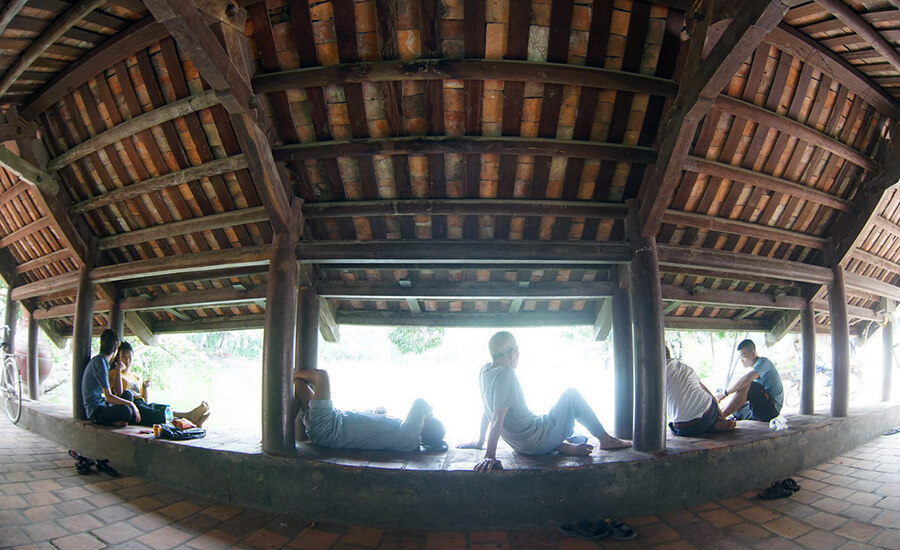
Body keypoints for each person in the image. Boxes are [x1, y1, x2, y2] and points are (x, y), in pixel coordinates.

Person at [462, 331, 629, 473]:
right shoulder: (506, 373)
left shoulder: (484, 371)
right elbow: (497, 418)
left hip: (521, 444)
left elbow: (487, 409)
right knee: (571, 395)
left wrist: (479, 441)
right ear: (513, 352)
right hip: (535, 440)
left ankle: (561, 445)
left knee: (553, 420)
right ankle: (605, 439)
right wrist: (489, 455)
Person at [293, 368, 446, 452]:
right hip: (329, 423)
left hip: (328, 428)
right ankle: (284, 375)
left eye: (429, 420)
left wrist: (430, 412)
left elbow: (420, 403)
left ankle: (278, 372)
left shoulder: (410, 439)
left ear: (429, 425)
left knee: (322, 376)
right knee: (299, 383)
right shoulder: (406, 436)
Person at [109, 341, 210, 427]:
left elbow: (146, 400)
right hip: (131, 407)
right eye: (124, 357)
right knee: (159, 415)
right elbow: (119, 393)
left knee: (164, 408)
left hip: (141, 404)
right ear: (118, 358)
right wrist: (118, 370)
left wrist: (145, 388)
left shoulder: (135, 376)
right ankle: (191, 417)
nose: (127, 361)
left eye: (129, 357)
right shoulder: (114, 373)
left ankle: (191, 418)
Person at [665, 347, 735, 436]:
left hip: (683, 428)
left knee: (674, 423)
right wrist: (722, 418)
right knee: (706, 402)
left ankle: (712, 426)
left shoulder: (649, 373)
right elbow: (709, 394)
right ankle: (714, 424)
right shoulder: (684, 367)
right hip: (706, 417)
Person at [81, 329, 140, 427]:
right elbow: (108, 397)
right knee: (126, 411)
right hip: (95, 412)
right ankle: (117, 421)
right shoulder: (100, 363)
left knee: (127, 394)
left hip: (103, 405)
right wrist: (131, 404)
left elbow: (118, 393)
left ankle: (121, 421)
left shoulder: (101, 361)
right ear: (115, 350)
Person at [716, 339, 783, 422]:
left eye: (743, 356)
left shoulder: (764, 362)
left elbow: (746, 379)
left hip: (772, 410)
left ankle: (719, 418)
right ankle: (719, 414)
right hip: (760, 410)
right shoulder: (756, 369)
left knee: (750, 385)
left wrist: (724, 394)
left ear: (753, 353)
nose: (741, 360)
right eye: (740, 357)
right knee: (736, 409)